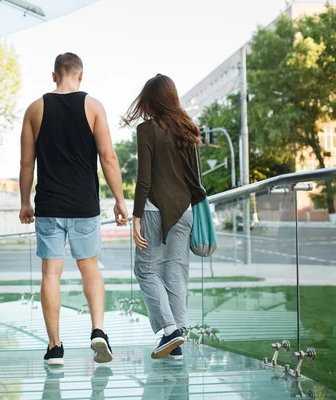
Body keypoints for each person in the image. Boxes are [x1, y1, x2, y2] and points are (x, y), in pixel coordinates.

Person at [19, 52, 128, 366]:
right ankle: (98, 330)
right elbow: (108, 157)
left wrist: (25, 201)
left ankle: (55, 348)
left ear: (54, 76)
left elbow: (27, 163)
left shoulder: (35, 109)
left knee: (50, 274)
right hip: (84, 205)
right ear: (80, 76)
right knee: (89, 269)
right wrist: (120, 200)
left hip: (49, 205)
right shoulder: (93, 107)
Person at [123, 74, 206, 360]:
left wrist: (135, 216)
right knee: (175, 273)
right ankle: (177, 342)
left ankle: (170, 331)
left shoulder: (147, 130)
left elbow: (144, 179)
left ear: (151, 99)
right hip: (185, 210)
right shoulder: (189, 129)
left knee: (146, 270)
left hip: (154, 210)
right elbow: (196, 179)